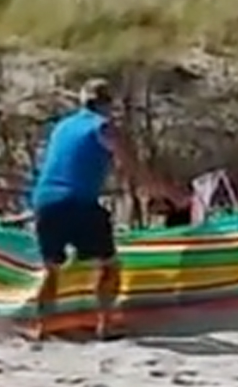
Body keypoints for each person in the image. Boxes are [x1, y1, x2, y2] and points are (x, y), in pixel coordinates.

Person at [29, 78, 184, 340]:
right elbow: (134, 170)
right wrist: (173, 196)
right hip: (78, 201)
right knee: (110, 265)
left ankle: (42, 327)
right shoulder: (103, 127)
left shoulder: (62, 126)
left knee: (51, 269)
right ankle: (105, 324)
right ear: (106, 104)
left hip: (44, 200)